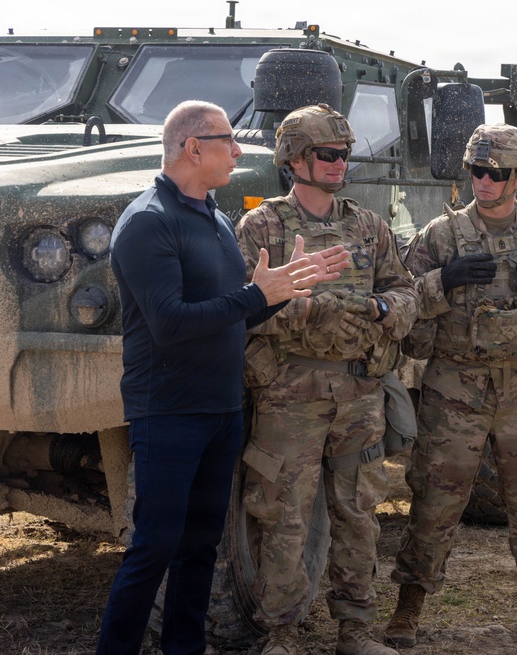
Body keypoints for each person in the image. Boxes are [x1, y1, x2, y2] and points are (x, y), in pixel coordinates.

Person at [98, 100, 350, 655]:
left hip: (219, 410)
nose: (238, 151)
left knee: (200, 548)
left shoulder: (212, 218)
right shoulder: (148, 223)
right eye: (227, 141)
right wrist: (256, 295)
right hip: (169, 411)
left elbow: (231, 314)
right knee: (154, 549)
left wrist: (280, 292)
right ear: (193, 148)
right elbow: (169, 324)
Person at [384, 124, 517, 651]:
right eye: (476, 170)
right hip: (455, 389)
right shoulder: (440, 236)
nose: (482, 181)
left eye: (495, 173)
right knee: (434, 498)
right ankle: (407, 609)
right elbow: (401, 307)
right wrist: (444, 281)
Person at [235, 104, 418, 655]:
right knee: (282, 514)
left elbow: (406, 292)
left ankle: (355, 630)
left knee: (358, 513)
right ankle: (281, 633)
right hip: (289, 395)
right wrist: (312, 309)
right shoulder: (262, 226)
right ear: (294, 159)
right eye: (327, 154)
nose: (340, 162)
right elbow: (243, 306)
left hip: (358, 392)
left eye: (344, 153)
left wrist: (382, 308)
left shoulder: (369, 225)